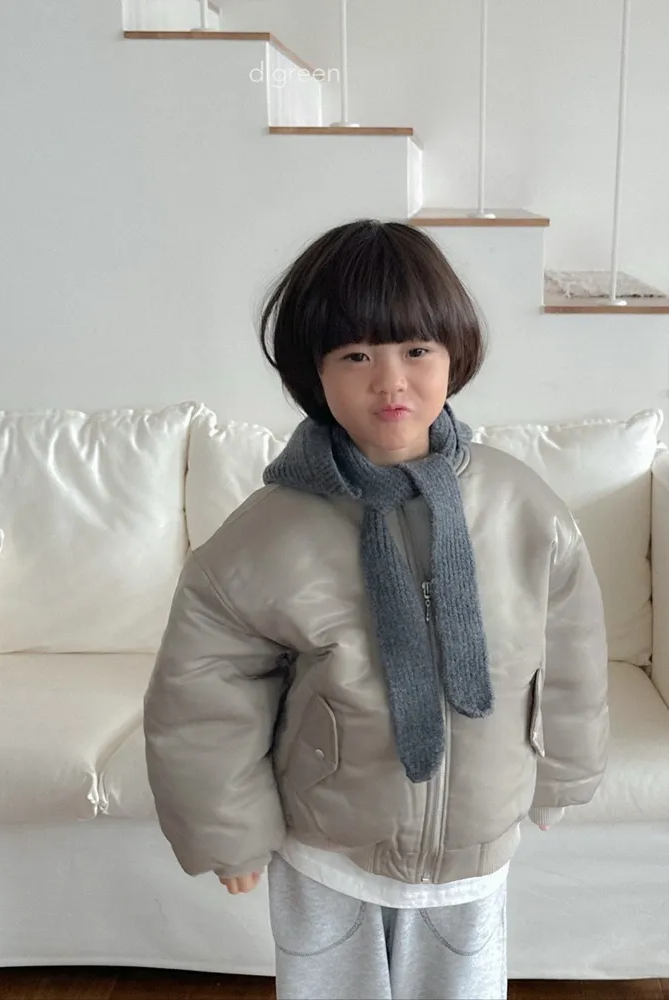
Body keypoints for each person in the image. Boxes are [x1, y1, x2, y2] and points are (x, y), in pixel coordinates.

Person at [143, 219, 610, 1000]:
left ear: (454, 355)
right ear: (314, 371)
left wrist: (563, 773)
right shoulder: (270, 532)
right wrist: (230, 831)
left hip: (475, 843)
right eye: (356, 356)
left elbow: (571, 653)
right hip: (327, 846)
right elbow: (204, 687)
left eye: (416, 350)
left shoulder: (524, 507)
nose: (390, 381)